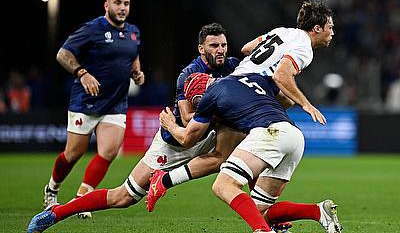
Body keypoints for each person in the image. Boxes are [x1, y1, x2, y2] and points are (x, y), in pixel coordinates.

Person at [26, 22, 242, 232]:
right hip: (174, 144)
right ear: (201, 49)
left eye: (223, 45)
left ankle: (267, 220)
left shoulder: (234, 67)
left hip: (210, 135)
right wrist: (226, 111)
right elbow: (187, 121)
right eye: (214, 46)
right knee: (123, 197)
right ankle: (57, 213)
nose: (221, 50)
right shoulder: (189, 75)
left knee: (253, 152)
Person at [157, 1, 342, 233]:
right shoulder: (304, 48)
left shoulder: (282, 32)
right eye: (330, 27)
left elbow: (246, 49)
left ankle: (262, 231)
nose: (332, 32)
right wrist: (306, 104)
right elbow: (282, 75)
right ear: (316, 28)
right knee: (258, 209)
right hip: (290, 132)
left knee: (224, 182)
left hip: (262, 115)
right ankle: (317, 211)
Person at [41, 0, 145, 219]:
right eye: (118, 3)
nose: (122, 8)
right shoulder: (92, 28)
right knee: (73, 153)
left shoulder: (134, 31)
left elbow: (133, 54)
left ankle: (81, 199)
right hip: (86, 101)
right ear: (106, 5)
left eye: (126, 3)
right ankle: (52, 189)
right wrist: (82, 73)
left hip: (116, 103)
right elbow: (63, 54)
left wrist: (137, 71)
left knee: (108, 152)